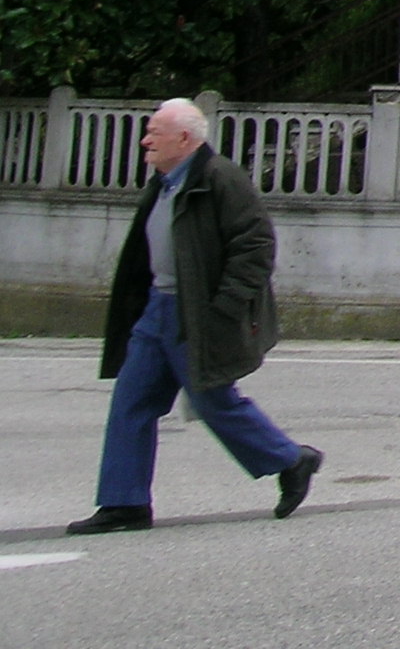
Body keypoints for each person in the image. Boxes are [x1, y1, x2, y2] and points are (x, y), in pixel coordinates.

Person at [66, 99, 321, 535]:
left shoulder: (220, 178)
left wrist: (224, 308)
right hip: (157, 309)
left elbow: (256, 246)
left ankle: (291, 460)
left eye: (154, 132)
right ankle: (124, 503)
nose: (145, 140)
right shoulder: (165, 182)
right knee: (132, 401)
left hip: (197, 313)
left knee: (212, 400)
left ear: (184, 138)